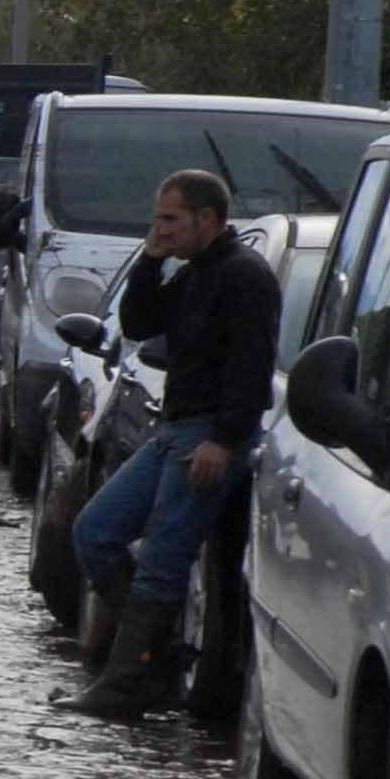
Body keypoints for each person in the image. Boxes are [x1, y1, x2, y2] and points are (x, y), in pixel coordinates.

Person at [65, 167, 278, 720]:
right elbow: (139, 322)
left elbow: (252, 367)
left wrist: (223, 440)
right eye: (157, 219)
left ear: (207, 218)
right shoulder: (193, 273)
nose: (160, 229)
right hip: (173, 429)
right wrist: (151, 260)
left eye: (170, 219)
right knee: (95, 531)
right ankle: (157, 660)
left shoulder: (245, 275)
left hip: (207, 435)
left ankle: (127, 683)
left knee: (163, 558)